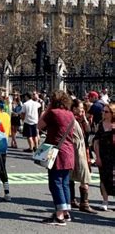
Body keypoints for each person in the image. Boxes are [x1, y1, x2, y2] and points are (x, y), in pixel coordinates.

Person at [38, 90, 75, 226]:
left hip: (56, 151)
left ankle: (59, 216)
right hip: (69, 151)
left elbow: (39, 125)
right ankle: (66, 211)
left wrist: (47, 109)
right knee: (64, 182)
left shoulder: (53, 113)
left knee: (55, 183)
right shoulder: (70, 114)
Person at [68, 99, 97, 214]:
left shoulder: (80, 120)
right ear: (74, 108)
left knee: (80, 174)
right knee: (83, 175)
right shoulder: (71, 120)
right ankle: (82, 203)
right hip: (76, 150)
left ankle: (74, 200)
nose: (82, 111)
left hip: (83, 150)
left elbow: (89, 130)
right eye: (80, 109)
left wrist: (84, 117)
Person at [93, 102, 115, 211]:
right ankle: (105, 201)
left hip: (113, 156)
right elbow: (96, 141)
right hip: (103, 155)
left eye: (106, 112)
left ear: (112, 113)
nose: (103, 113)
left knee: (114, 178)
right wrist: (97, 156)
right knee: (103, 179)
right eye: (103, 111)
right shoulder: (101, 124)